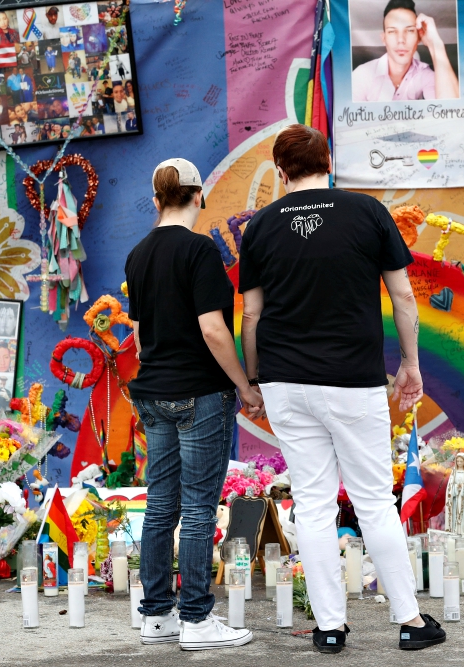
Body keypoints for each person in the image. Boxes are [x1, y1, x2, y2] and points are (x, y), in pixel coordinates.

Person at [239, 125, 444, 652]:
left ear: (281, 172)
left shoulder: (259, 227)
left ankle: (330, 628)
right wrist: (411, 366)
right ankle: (410, 621)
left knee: (311, 505)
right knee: (374, 500)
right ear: (327, 162)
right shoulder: (366, 212)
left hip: (286, 381)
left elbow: (252, 313)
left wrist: (257, 379)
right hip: (352, 380)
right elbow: (403, 297)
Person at [124, 158, 264, 650]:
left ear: (157, 199)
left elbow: (139, 340)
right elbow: (212, 329)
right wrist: (245, 386)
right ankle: (198, 620)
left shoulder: (138, 255)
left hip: (154, 393)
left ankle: (156, 615)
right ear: (199, 196)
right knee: (200, 508)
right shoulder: (201, 251)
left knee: (160, 506)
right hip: (200, 393)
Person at [351, 0, 458, 102]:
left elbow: (452, 111)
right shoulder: (362, 75)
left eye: (410, 30)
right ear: (384, 39)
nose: (401, 40)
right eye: (392, 31)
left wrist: (436, 44)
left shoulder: (425, 74)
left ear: (418, 38)